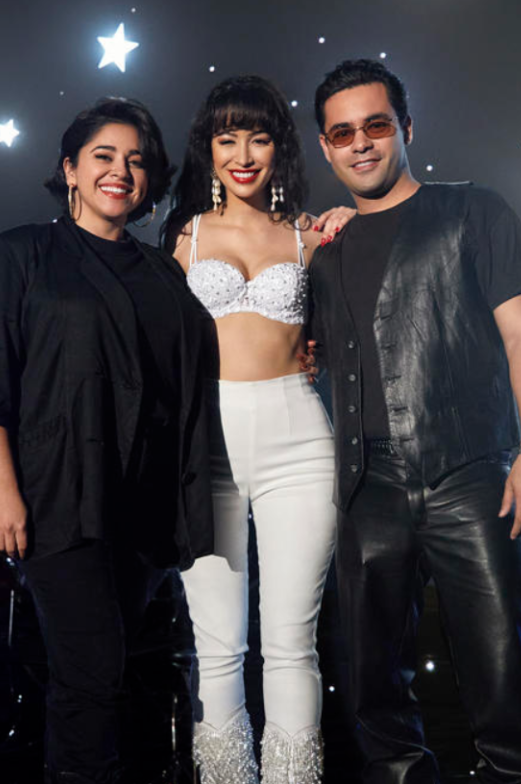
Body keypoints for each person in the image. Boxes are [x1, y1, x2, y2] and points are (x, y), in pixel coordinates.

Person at [306, 58, 521, 783]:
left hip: (472, 473)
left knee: (502, 671)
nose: (361, 143)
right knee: (373, 687)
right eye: (342, 132)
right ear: (325, 147)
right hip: (367, 487)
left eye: (376, 125)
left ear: (407, 128)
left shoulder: (474, 210)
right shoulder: (323, 249)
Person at [0, 97, 216, 784]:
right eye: (104, 156)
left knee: (112, 675)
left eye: (136, 161)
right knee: (92, 672)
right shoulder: (21, 254)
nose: (120, 171)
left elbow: (195, 370)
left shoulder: (163, 272)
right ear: (69, 168)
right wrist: (2, 490)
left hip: (143, 508)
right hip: (57, 497)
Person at [162, 75, 352, 784]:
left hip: (299, 443)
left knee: (292, 643)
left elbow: (349, 324)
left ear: (281, 148)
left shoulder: (310, 234)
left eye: (260, 138)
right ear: (208, 149)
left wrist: (349, 226)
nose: (243, 155)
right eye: (227, 138)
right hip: (202, 448)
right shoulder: (182, 235)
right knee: (217, 649)